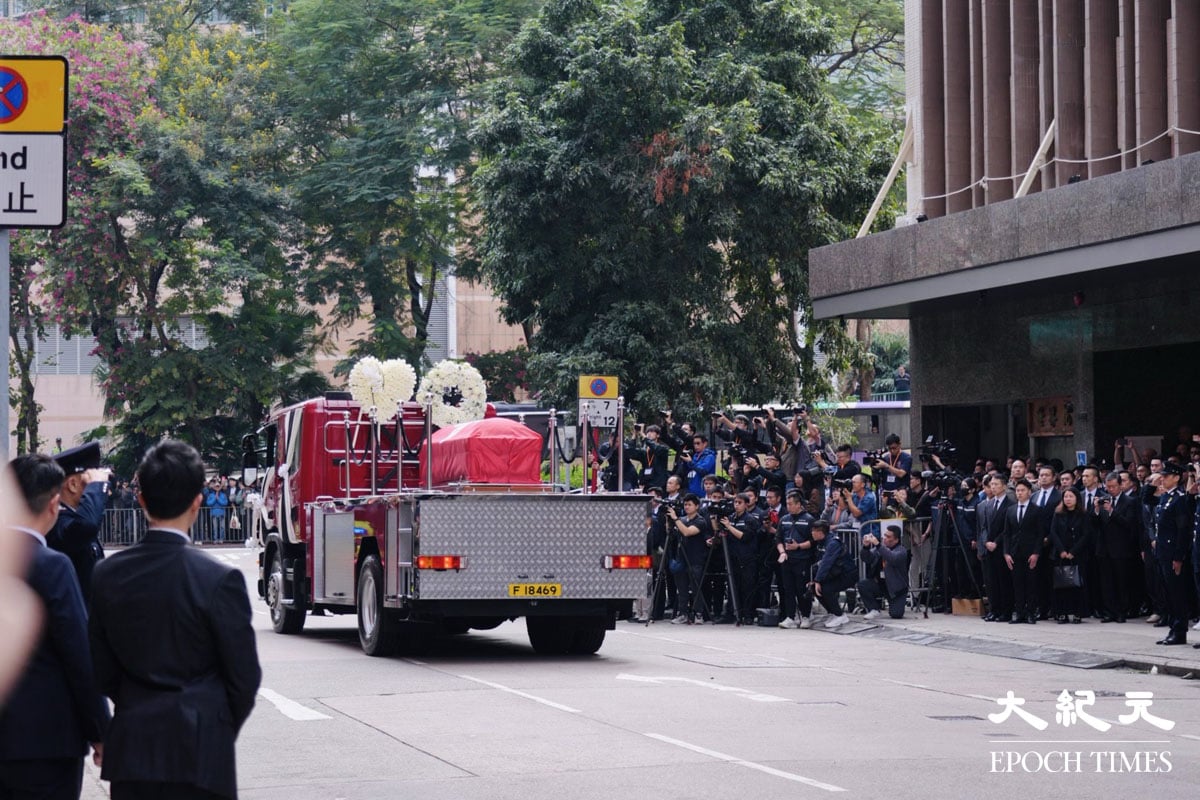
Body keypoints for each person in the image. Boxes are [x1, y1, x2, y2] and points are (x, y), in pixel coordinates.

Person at [89, 440, 262, 799]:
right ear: (197, 502)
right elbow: (244, 678)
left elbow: (101, 668)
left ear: (141, 500)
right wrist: (214, 727)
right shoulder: (218, 579)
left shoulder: (107, 574)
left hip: (134, 746)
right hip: (201, 750)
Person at [1, 455, 110, 800]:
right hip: (45, 743)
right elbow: (78, 654)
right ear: (53, 505)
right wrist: (101, 731)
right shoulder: (51, 566)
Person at [47, 441, 109, 605]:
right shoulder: (58, 522)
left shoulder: (73, 518)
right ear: (73, 485)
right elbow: (86, 527)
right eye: (88, 483)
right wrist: (97, 487)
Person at [1150, 462, 1194, 646]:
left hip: (1172, 552)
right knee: (1167, 592)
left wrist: (1178, 557)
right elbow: (1146, 498)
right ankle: (1172, 628)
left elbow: (1182, 531)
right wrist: (1152, 483)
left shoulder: (1179, 499)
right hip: (1162, 551)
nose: (1162, 479)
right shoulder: (1165, 497)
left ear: (1176, 478)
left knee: (1176, 593)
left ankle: (1179, 630)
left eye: (1166, 476)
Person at [1002, 479, 1044, 624]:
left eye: (1022, 490)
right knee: (1017, 584)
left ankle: (1031, 613)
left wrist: (1036, 553)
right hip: (1014, 552)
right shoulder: (1010, 510)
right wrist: (1006, 553)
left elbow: (1040, 534)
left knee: (1031, 584)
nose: (1019, 493)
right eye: (1018, 491)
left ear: (1029, 492)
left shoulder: (1036, 510)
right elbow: (1007, 533)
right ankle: (1019, 613)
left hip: (1030, 552)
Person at [1049, 487, 1092, 624]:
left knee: (1077, 584)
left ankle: (1078, 613)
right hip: (1060, 555)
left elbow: (1086, 535)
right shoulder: (1058, 513)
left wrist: (1073, 551)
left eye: (1071, 496)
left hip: (1077, 554)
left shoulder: (1083, 514)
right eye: (1066, 497)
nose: (1068, 499)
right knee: (1061, 585)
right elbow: (1053, 532)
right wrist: (1061, 550)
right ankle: (1062, 613)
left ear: (1077, 499)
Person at [665, 494, 709, 624]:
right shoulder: (682, 519)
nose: (687, 507)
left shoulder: (700, 521)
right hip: (681, 558)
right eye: (685, 504)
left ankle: (698, 613)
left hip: (695, 558)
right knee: (682, 588)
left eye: (690, 505)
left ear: (697, 506)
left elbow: (687, 532)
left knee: (696, 588)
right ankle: (682, 613)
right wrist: (669, 520)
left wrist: (675, 519)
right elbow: (671, 533)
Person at [775, 490, 816, 629]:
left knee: (801, 589)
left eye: (791, 504)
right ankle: (790, 617)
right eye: (787, 504)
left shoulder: (809, 519)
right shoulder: (784, 519)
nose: (789, 506)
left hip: (802, 559)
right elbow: (778, 538)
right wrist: (782, 552)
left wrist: (798, 546)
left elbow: (813, 541)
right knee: (788, 589)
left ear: (799, 504)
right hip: (786, 559)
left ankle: (806, 616)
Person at [810, 520, 857, 628]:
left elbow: (826, 563)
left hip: (847, 574)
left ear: (820, 532)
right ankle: (832, 612)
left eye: (813, 531)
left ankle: (840, 615)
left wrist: (818, 580)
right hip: (834, 574)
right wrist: (814, 580)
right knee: (813, 588)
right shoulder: (821, 542)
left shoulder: (833, 543)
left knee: (826, 589)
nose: (812, 533)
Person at [857, 526, 909, 619]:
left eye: (888, 537)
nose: (885, 538)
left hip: (896, 589)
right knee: (863, 584)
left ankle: (894, 603)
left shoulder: (901, 551)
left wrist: (878, 545)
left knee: (896, 614)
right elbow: (867, 558)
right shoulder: (880, 549)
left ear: (896, 540)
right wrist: (865, 547)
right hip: (881, 584)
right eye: (884, 535)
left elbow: (892, 558)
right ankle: (874, 609)